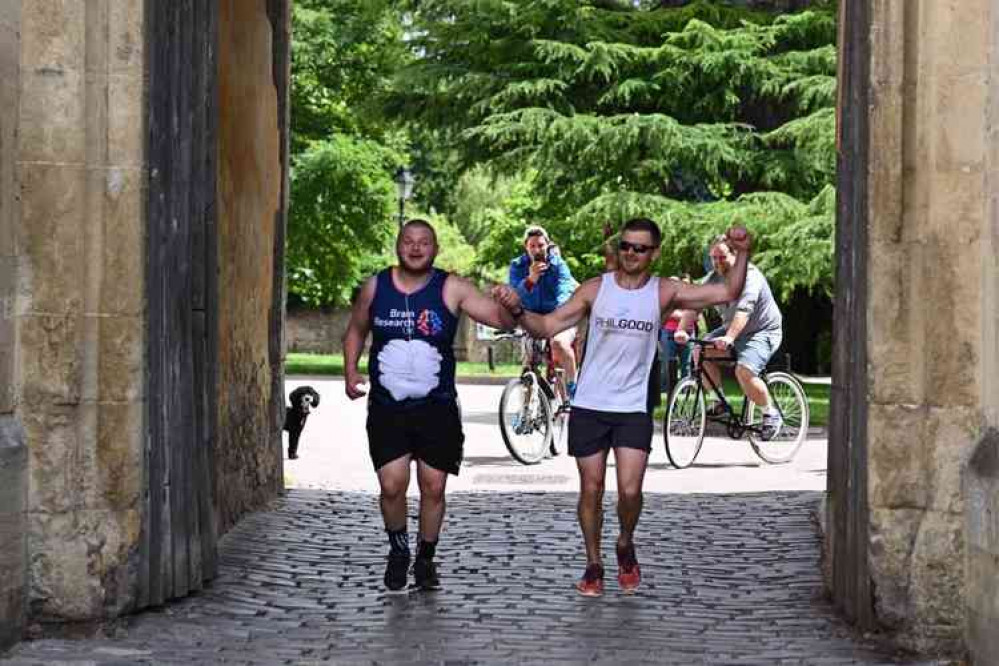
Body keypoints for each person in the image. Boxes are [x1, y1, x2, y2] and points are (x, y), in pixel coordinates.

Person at [493, 218, 751, 597]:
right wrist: (517, 309)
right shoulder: (596, 289)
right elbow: (547, 325)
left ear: (654, 253)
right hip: (591, 405)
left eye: (640, 248)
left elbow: (728, 290)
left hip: (632, 407)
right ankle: (594, 563)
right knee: (591, 489)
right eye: (627, 246)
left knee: (630, 492)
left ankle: (625, 542)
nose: (632, 253)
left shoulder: (665, 292)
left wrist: (743, 252)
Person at [343, 219, 516, 593]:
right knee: (392, 486)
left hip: (437, 408)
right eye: (409, 241)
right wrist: (350, 371)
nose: (416, 248)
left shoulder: (451, 286)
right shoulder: (377, 286)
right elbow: (356, 328)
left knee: (433, 486)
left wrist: (512, 304)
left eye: (424, 242)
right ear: (398, 247)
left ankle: (425, 559)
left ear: (435, 249)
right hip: (388, 407)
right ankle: (398, 549)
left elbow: (499, 319)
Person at [674, 235, 784, 439]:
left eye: (722, 257)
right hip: (730, 329)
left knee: (744, 371)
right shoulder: (713, 278)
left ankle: (771, 413)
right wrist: (682, 329)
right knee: (700, 351)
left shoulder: (750, 277)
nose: (717, 263)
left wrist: (730, 337)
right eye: (713, 258)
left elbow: (744, 311)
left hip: (761, 331)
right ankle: (717, 401)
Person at [508, 226, 579, 396]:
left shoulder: (558, 265)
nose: (536, 250)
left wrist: (557, 317)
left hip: (558, 315)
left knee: (559, 343)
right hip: (532, 318)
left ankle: (573, 389)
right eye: (532, 246)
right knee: (528, 364)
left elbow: (565, 291)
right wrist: (531, 279)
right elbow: (514, 295)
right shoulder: (518, 266)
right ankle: (526, 411)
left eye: (540, 245)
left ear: (548, 245)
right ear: (526, 247)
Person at [659, 274, 696, 394]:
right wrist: (684, 316)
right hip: (668, 332)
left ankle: (686, 388)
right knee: (668, 361)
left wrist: (681, 315)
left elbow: (696, 316)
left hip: (688, 333)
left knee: (687, 362)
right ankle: (666, 388)